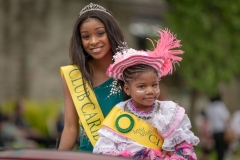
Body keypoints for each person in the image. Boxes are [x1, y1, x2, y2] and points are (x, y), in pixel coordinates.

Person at [93, 29, 200, 159]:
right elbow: (106, 150)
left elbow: (183, 147)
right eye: (142, 86)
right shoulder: (120, 112)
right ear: (127, 89)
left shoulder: (168, 112)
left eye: (154, 85)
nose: (150, 91)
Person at [58, 3, 125, 152]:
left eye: (100, 33)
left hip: (127, 154)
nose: (93, 41)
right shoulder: (73, 75)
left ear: (111, 33)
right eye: (86, 36)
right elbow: (70, 128)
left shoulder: (129, 70)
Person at [205, 93, 230, 160]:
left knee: (217, 148)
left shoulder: (208, 106)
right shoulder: (220, 105)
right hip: (221, 130)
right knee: (222, 149)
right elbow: (226, 118)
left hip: (213, 131)